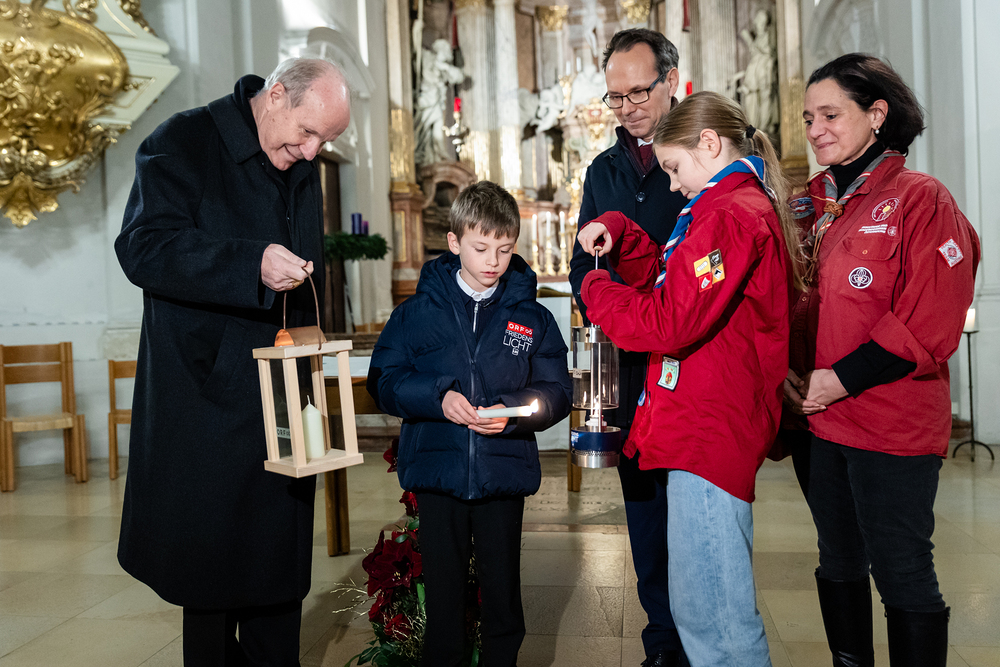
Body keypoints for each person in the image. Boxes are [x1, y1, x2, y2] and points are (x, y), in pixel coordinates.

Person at [115, 58, 351, 666]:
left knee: (278, 570)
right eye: (308, 132)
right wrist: (250, 263)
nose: (312, 152)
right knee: (212, 578)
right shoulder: (182, 140)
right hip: (206, 401)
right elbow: (142, 247)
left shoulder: (297, 157)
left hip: (282, 393)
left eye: (325, 141)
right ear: (276, 96)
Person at [578, 90, 803, 667]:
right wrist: (624, 233)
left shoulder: (730, 214)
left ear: (709, 143)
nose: (674, 185)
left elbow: (672, 320)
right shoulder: (719, 207)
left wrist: (597, 291)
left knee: (717, 620)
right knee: (698, 605)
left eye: (675, 168)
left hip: (710, 425)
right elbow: (675, 278)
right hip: (699, 422)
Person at [786, 53, 980, 667]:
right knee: (837, 560)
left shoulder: (921, 199)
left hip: (890, 422)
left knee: (901, 568)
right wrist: (791, 375)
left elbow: (930, 318)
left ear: (876, 114)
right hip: (820, 422)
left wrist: (840, 379)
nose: (815, 129)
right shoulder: (809, 203)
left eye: (830, 115)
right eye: (809, 118)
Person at [367, 181, 572, 667]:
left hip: (502, 470)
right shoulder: (415, 315)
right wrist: (438, 397)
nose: (493, 261)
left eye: (504, 249)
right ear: (454, 241)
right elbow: (384, 380)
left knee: (503, 594)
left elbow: (557, 391)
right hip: (439, 472)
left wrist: (511, 411)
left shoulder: (533, 318)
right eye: (481, 248)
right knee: (444, 596)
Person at [567, 28, 689, 667]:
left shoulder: (711, 151)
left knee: (695, 510)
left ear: (671, 79)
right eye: (615, 98)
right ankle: (662, 640)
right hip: (626, 365)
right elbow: (579, 266)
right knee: (642, 505)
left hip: (691, 365)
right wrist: (606, 305)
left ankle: (701, 639)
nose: (627, 108)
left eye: (639, 92)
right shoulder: (602, 170)